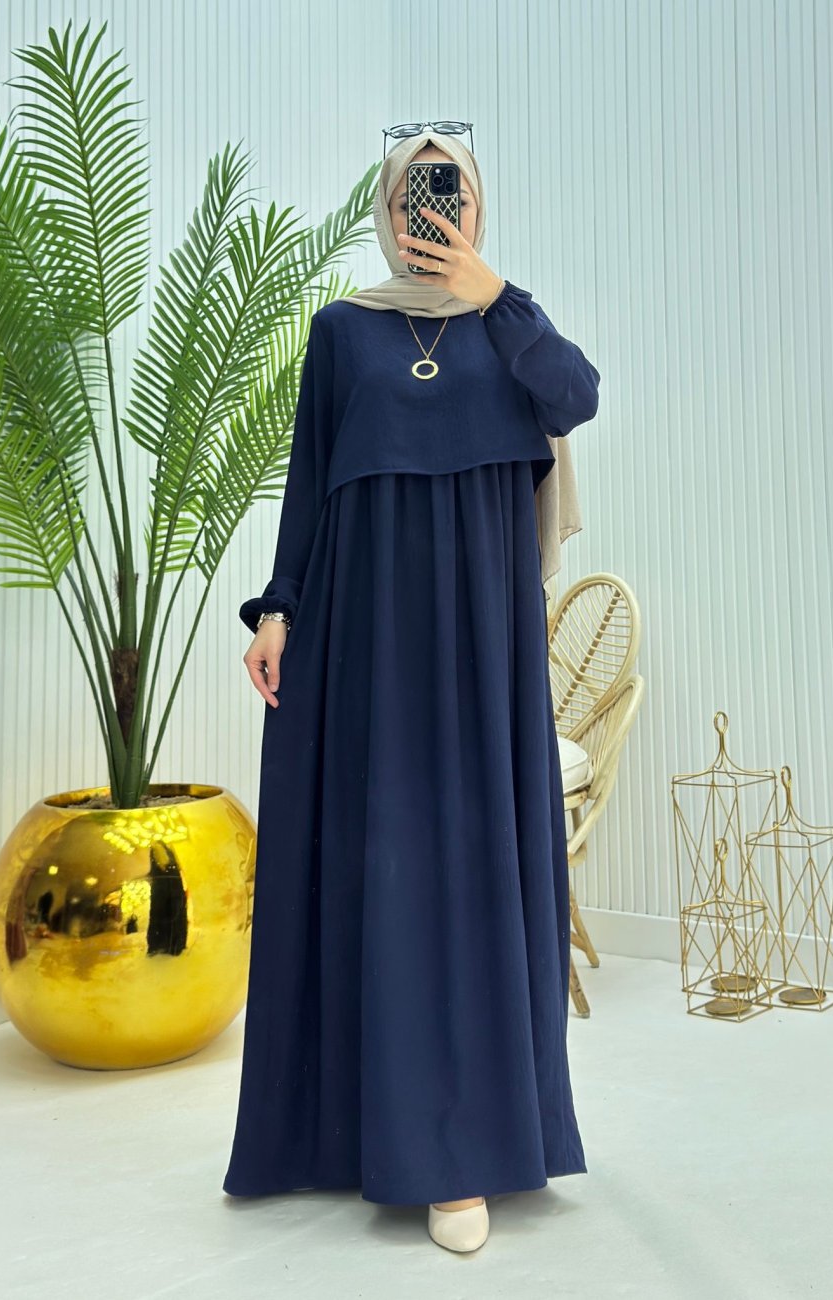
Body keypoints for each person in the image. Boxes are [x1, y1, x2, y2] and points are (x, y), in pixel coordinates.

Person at [222, 126, 601, 1255]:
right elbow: (309, 479)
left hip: (485, 643)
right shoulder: (344, 331)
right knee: (383, 864)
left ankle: (465, 1147)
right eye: (409, 197)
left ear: (477, 207)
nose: (428, 215)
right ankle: (361, 1131)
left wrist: (497, 295)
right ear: (385, 211)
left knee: (474, 871)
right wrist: (278, 608)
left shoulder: (510, 323)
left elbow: (576, 397)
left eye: (449, 195)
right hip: (369, 632)